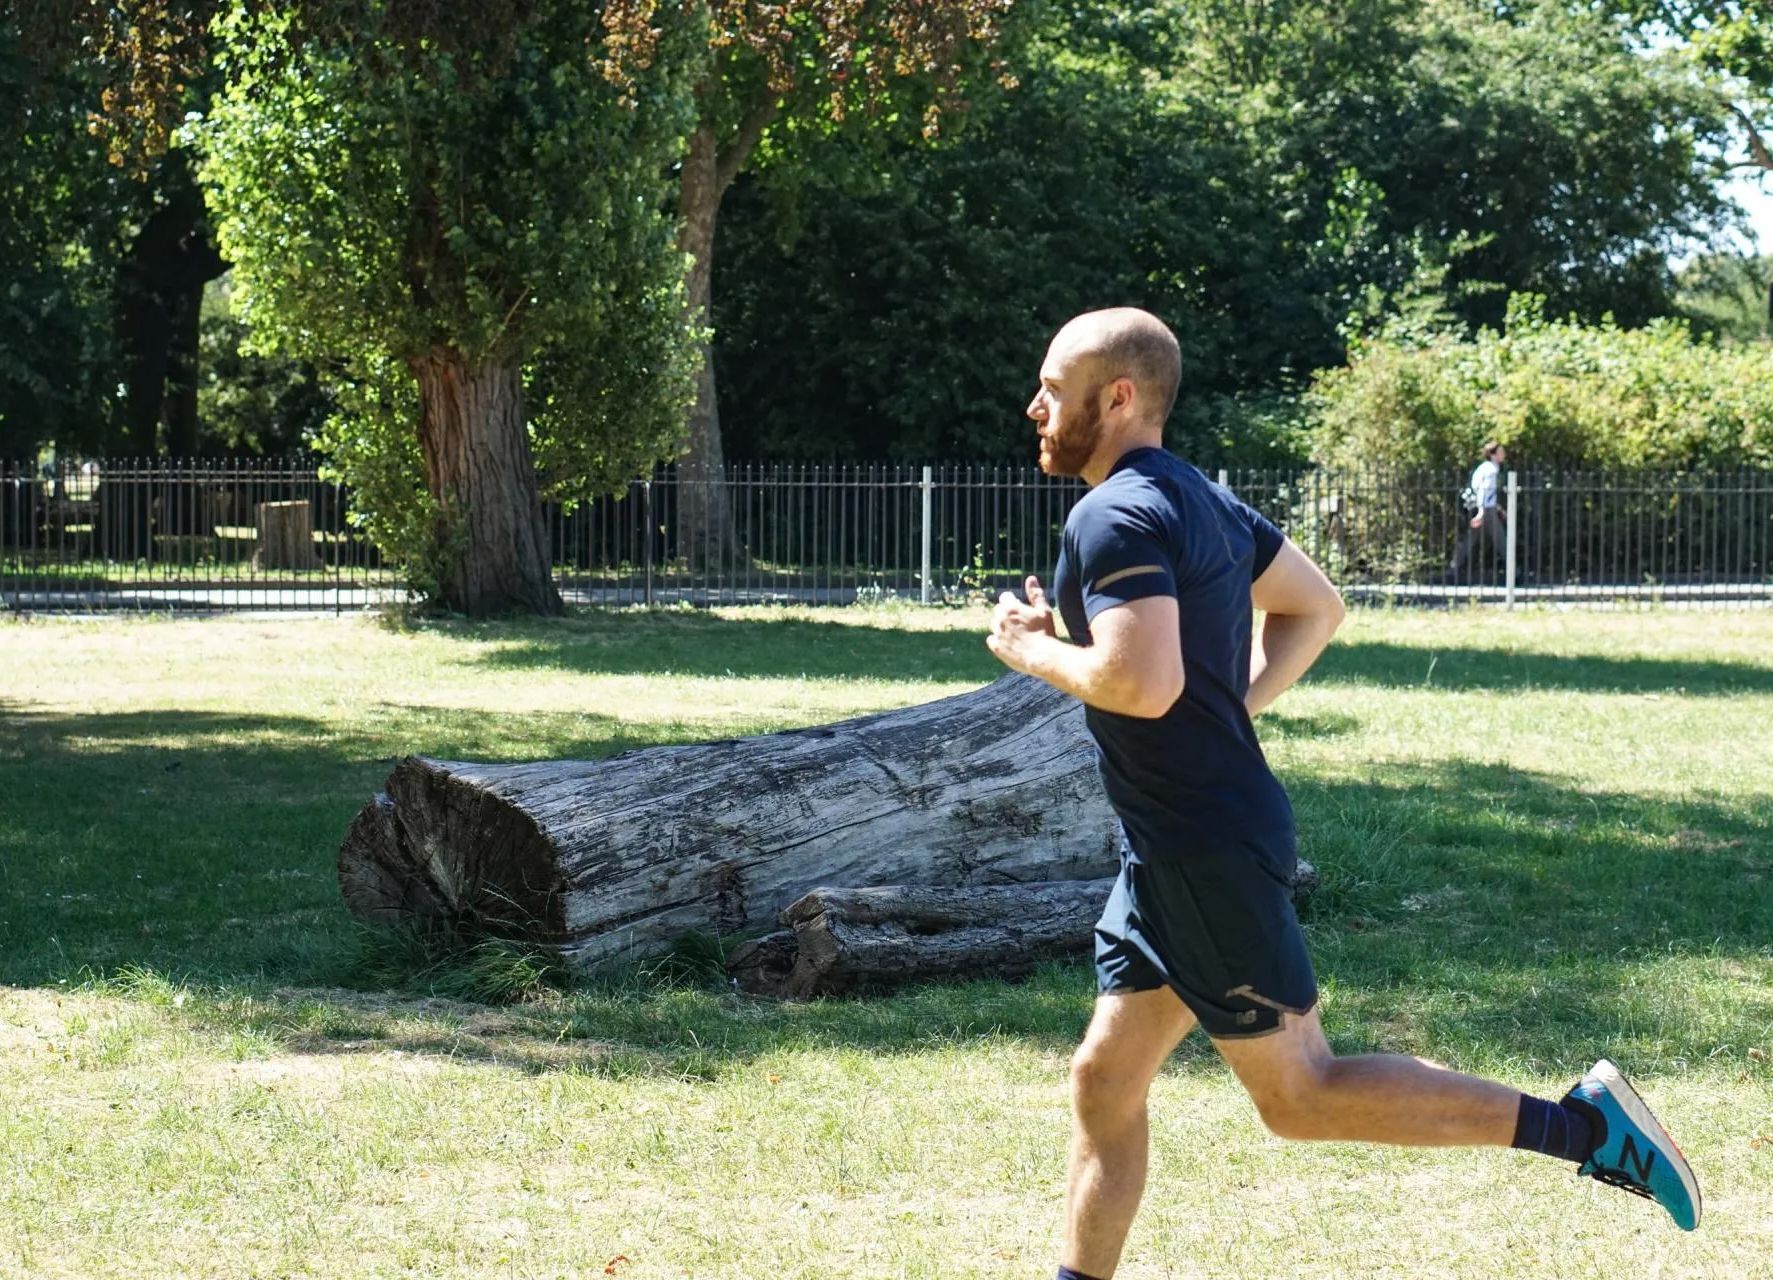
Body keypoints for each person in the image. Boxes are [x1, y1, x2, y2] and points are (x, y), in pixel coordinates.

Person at [985, 308, 1700, 1280]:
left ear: (1117, 398)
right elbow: (1315, 604)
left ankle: (1585, 1129)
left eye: (1054, 387)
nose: (1036, 405)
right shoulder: (1202, 499)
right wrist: (1225, 706)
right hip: (1172, 848)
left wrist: (1035, 649)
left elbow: (1140, 681)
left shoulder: (1110, 512)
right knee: (1105, 1078)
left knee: (1302, 1093)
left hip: (1202, 850)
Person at [1449, 441, 1508, 582]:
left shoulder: (1485, 468)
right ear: (1493, 454)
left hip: (1486, 507)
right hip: (1486, 509)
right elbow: (1485, 491)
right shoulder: (1492, 470)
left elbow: (1484, 491)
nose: (1503, 455)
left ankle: (1453, 568)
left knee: (1471, 538)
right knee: (1501, 541)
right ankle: (1513, 572)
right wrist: (1482, 511)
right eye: (1500, 452)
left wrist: (1498, 508)